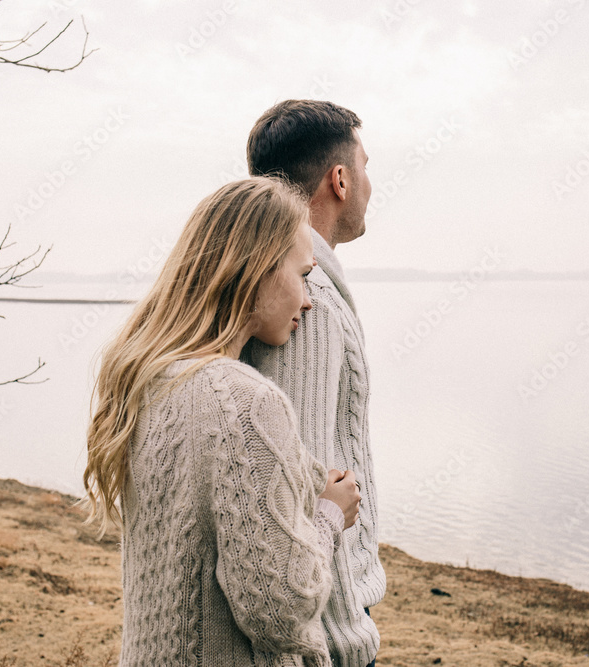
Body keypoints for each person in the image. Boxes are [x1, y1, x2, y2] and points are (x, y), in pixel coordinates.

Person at [80, 177, 362, 667]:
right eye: (302, 276)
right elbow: (280, 612)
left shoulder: (143, 377)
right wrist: (329, 516)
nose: (309, 301)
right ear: (257, 270)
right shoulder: (242, 400)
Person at [243, 100, 384, 667]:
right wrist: (343, 638)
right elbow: (301, 487)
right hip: (325, 629)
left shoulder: (294, 284)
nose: (373, 185)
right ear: (341, 179)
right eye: (366, 166)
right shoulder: (311, 301)